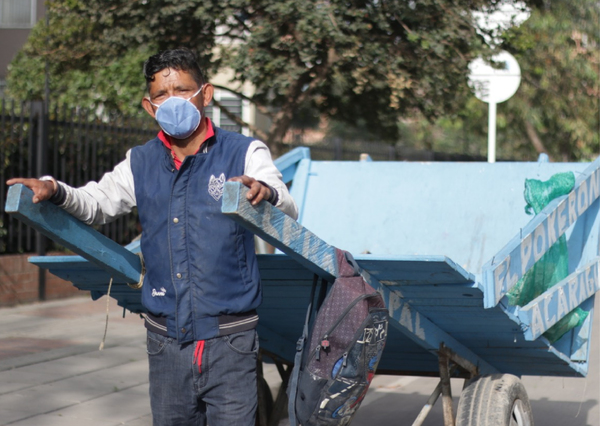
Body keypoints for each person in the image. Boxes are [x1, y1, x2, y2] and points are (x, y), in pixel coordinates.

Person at [7, 48, 298, 426]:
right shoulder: (139, 161)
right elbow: (96, 202)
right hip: (165, 341)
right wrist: (54, 188)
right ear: (149, 106)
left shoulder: (244, 152)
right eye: (162, 95)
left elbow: (286, 202)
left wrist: (264, 191)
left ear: (205, 94)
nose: (172, 101)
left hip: (231, 340)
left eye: (182, 90)